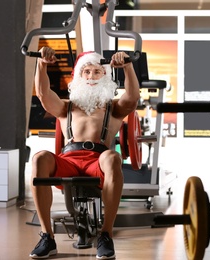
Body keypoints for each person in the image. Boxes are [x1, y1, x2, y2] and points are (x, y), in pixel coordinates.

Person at [29, 46, 140, 259]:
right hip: (68, 160)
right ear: (79, 76)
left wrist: (127, 66)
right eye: (86, 72)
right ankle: (47, 236)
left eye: (97, 72)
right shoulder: (66, 108)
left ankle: (105, 235)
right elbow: (43, 94)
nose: (91, 76)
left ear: (105, 76)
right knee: (39, 158)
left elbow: (133, 97)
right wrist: (41, 63)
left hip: (97, 161)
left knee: (112, 156)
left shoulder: (113, 108)